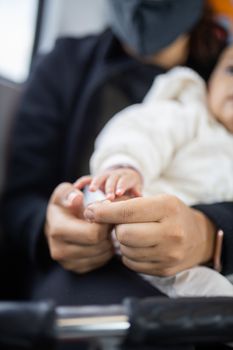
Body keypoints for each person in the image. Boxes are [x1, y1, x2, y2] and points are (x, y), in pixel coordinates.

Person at [1, 0, 232, 310]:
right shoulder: (184, 101)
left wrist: (208, 233)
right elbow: (20, 200)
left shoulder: (221, 73)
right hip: (93, 272)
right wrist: (49, 228)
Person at [74, 44, 233, 297]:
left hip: (193, 255)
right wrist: (125, 165)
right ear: (211, 78)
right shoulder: (188, 114)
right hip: (139, 207)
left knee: (212, 288)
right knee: (209, 291)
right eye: (231, 70)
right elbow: (140, 131)